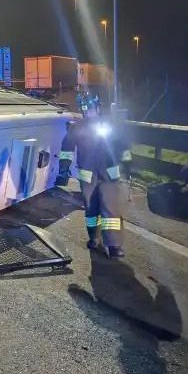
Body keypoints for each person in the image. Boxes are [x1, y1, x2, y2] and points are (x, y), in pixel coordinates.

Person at [58, 95, 132, 259]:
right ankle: (94, 237)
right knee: (91, 211)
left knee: (110, 209)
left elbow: (122, 145)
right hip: (88, 177)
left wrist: (127, 163)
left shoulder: (110, 125)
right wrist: (64, 167)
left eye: (91, 108)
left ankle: (114, 245)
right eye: (85, 108)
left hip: (109, 175)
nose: (89, 111)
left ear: (98, 108)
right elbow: (67, 149)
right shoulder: (76, 127)